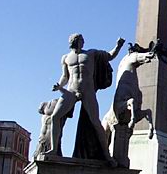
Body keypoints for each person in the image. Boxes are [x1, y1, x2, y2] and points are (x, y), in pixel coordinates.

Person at [47, 33, 125, 164]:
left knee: (95, 122)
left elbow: (110, 56)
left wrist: (118, 46)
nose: (83, 42)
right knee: (55, 117)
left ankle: (107, 155)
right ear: (75, 41)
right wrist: (59, 85)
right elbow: (65, 76)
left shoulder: (91, 53)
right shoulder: (66, 58)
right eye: (81, 40)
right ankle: (53, 149)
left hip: (88, 90)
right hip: (71, 90)